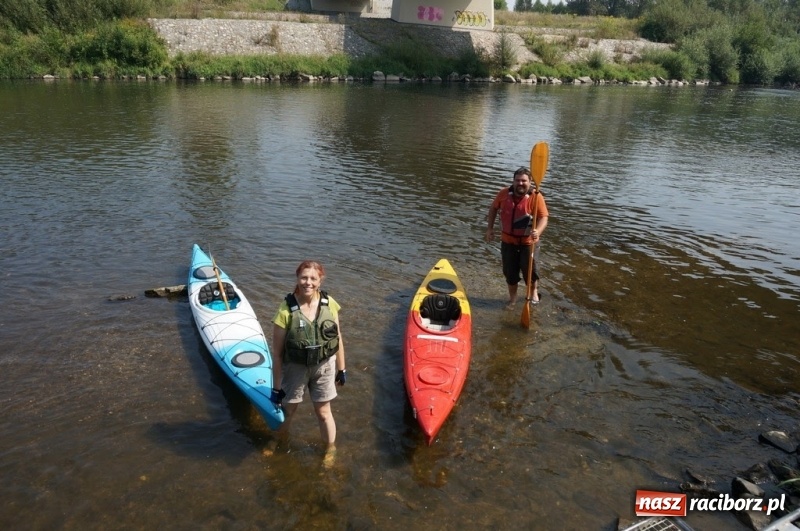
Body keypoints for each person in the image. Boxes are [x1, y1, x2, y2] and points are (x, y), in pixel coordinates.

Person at [268, 260, 346, 468]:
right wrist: (276, 388)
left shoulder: (330, 304)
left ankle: (330, 450)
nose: (307, 282)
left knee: (323, 412)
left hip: (324, 367)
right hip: (295, 368)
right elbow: (276, 354)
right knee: (289, 410)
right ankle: (277, 441)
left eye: (313, 278)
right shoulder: (285, 310)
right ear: (297, 278)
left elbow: (337, 338)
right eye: (304, 277)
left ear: (320, 280)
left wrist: (341, 369)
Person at [485, 166, 549, 309]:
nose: (520, 183)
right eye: (517, 180)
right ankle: (512, 299)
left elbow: (544, 217)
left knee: (530, 272)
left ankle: (533, 292)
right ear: (513, 181)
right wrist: (490, 229)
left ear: (530, 182)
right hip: (508, 241)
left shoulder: (536, 197)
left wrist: (537, 231)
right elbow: (493, 208)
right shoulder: (503, 194)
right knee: (510, 272)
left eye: (524, 181)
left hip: (528, 242)